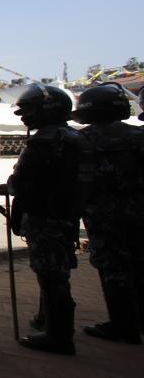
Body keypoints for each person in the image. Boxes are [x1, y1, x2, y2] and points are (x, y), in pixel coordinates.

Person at [0, 83, 92, 355]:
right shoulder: (79, 139)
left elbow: (24, 180)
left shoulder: (43, 141)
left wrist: (9, 187)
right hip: (68, 215)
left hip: (44, 217)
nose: (24, 117)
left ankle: (59, 335)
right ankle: (50, 322)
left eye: (28, 111)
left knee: (51, 277)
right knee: (58, 273)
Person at [72, 83, 143, 343]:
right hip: (138, 212)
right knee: (138, 264)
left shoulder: (81, 140)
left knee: (113, 269)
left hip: (102, 216)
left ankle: (122, 325)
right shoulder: (139, 136)